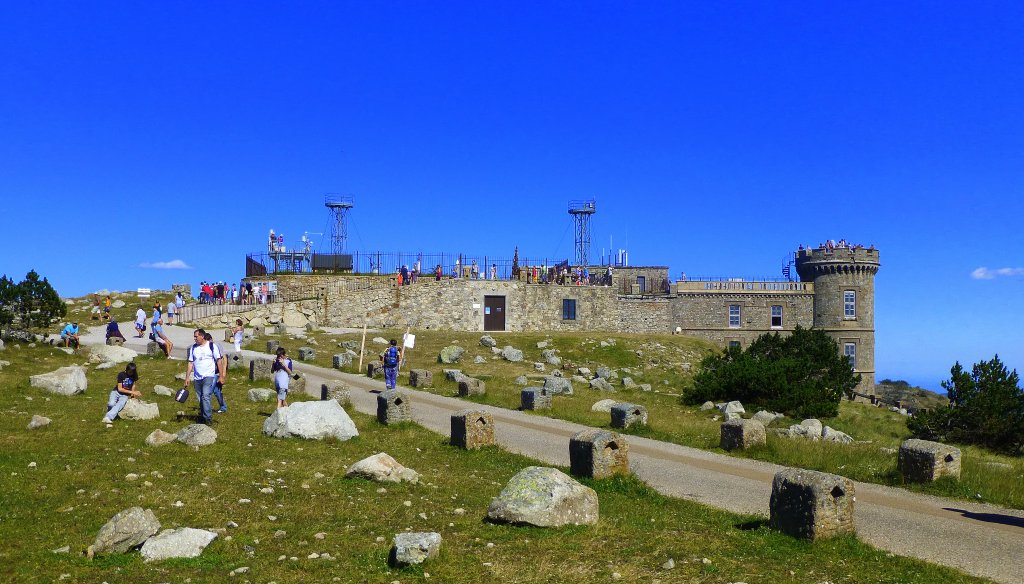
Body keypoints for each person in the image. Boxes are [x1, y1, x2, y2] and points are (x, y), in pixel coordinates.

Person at [185, 328, 225, 424]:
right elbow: (190, 363)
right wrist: (187, 378)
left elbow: (219, 361)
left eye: (196, 336)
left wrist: (221, 376)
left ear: (202, 336)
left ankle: (208, 418)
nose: (194, 338)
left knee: (206, 396)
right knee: (200, 398)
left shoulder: (212, 346)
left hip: (209, 376)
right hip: (197, 377)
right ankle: (203, 416)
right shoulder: (193, 348)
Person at [205, 331, 229, 414]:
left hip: (217, 372)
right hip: (210, 372)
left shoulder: (217, 346)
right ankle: (223, 407)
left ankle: (206, 410)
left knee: (208, 391)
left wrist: (223, 374)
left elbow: (224, 359)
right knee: (217, 391)